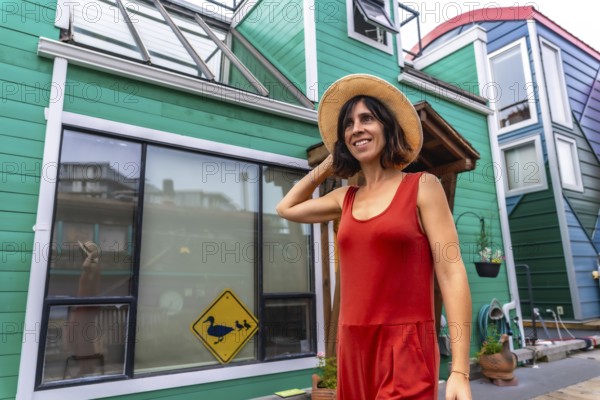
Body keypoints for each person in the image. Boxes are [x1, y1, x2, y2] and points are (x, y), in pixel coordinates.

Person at [276, 74, 472, 399]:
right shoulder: (345, 198)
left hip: (406, 344)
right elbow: (287, 207)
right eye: (348, 125)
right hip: (352, 344)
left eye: (367, 118)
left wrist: (460, 370)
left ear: (387, 127)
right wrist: (329, 162)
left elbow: (451, 273)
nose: (356, 129)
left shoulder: (423, 187)